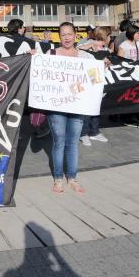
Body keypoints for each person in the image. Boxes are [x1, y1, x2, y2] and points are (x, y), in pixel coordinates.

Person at [47, 22, 93, 194]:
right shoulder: (50, 54)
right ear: (59, 36)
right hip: (56, 106)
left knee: (73, 143)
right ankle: (58, 179)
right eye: (63, 34)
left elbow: (94, 78)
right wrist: (32, 57)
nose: (66, 37)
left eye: (69, 34)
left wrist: (103, 67)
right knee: (59, 141)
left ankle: (72, 178)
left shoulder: (86, 57)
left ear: (75, 35)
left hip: (77, 106)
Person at [79, 27, 111, 146]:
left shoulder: (106, 49)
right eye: (109, 36)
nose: (110, 38)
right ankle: (83, 133)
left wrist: (107, 63)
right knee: (87, 110)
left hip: (100, 81)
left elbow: (104, 64)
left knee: (97, 108)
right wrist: (91, 45)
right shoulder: (88, 44)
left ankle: (94, 132)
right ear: (104, 36)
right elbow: (77, 50)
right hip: (88, 81)